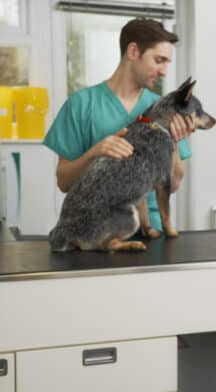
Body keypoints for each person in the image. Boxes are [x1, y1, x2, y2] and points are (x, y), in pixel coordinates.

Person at [44, 18, 194, 232]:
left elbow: (175, 184)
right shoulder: (80, 105)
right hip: (98, 229)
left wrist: (174, 143)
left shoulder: (161, 108)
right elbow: (64, 183)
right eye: (159, 60)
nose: (164, 72)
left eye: (167, 63)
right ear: (133, 51)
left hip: (151, 232)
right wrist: (93, 154)